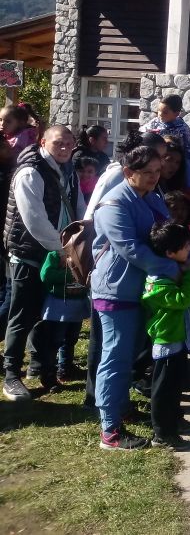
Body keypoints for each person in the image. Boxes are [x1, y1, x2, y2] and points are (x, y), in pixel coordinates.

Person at [91, 145, 175, 450]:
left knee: (127, 357)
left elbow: (166, 233)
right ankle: (110, 430)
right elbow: (131, 249)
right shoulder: (113, 203)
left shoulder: (150, 197)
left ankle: (121, 407)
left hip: (140, 289)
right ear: (128, 172)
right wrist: (174, 268)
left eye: (157, 171)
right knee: (115, 356)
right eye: (147, 172)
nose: (154, 177)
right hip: (116, 290)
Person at [3, 125, 84, 401]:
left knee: (51, 314)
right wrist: (61, 249)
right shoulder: (30, 172)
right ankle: (11, 375)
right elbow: (33, 218)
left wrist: (78, 240)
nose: (64, 148)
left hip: (60, 254)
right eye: (58, 143)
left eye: (69, 143)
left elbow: (78, 207)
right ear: (43, 142)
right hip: (30, 254)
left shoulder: (68, 170)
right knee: (22, 315)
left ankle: (44, 370)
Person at [142, 221, 190, 449]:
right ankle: (162, 434)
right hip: (166, 341)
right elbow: (183, 300)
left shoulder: (178, 269)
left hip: (179, 340)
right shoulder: (157, 282)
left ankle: (173, 423)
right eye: (185, 246)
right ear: (170, 253)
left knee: (175, 387)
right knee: (164, 390)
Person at [36, 238, 90, 392]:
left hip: (76, 305)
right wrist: (72, 274)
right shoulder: (56, 253)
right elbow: (46, 274)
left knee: (71, 339)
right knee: (55, 341)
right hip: (59, 306)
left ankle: (65, 368)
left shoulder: (85, 253)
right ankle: (48, 375)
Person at [143, 94, 190, 188]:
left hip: (175, 162)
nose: (160, 114)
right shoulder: (154, 122)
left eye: (165, 112)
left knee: (188, 175)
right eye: (159, 111)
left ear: (176, 114)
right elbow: (143, 134)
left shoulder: (182, 128)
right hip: (155, 158)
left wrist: (188, 163)